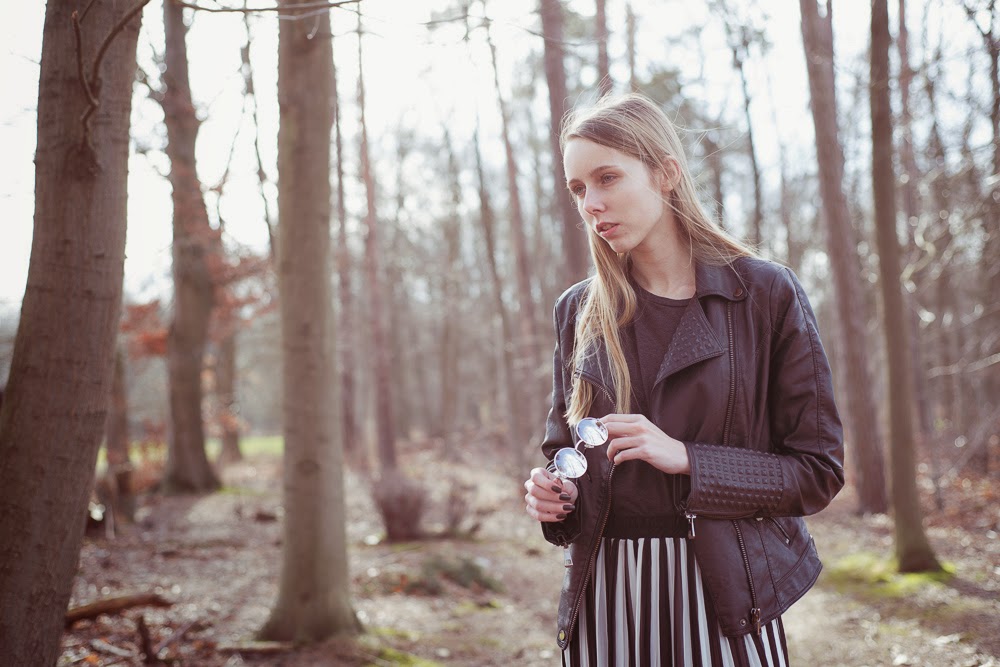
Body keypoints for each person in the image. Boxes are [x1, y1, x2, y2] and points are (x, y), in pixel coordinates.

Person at [523, 93, 845, 667]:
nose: (592, 203)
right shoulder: (579, 310)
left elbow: (817, 472)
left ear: (666, 174)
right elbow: (564, 453)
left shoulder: (763, 295)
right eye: (579, 189)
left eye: (607, 177)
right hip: (605, 600)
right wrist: (553, 494)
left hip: (725, 595)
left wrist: (688, 458)